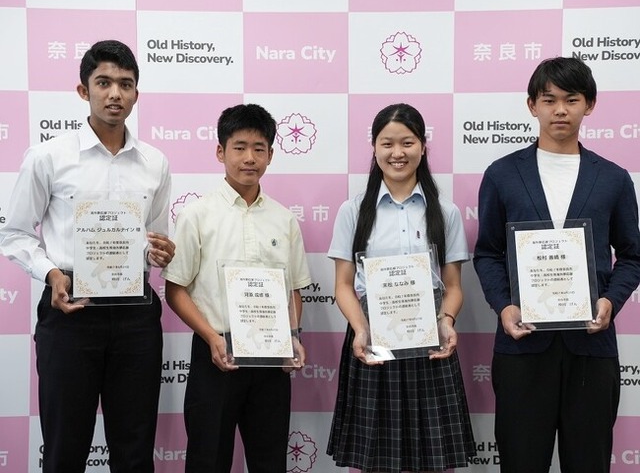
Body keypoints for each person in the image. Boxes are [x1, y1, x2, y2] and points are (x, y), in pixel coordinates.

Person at [0, 40, 175, 472]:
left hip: (136, 315)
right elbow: (15, 233)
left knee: (135, 450)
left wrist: (160, 252)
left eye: (125, 84)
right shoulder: (48, 157)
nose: (115, 93)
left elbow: (154, 240)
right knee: (65, 447)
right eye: (104, 82)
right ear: (84, 90)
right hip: (69, 308)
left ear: (136, 93)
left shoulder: (155, 162)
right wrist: (51, 274)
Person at [473, 57, 640, 473]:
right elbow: (488, 253)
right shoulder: (502, 174)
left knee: (589, 463)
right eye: (549, 100)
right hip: (522, 345)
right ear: (532, 105)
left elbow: (632, 256)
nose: (560, 110)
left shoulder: (614, 178)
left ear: (590, 105)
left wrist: (610, 301)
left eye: (571, 99)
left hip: (591, 347)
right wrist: (504, 306)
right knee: (521, 462)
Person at [326, 103, 476, 473]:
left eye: (407, 143)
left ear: (423, 147)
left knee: (433, 458)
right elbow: (343, 286)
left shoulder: (445, 212)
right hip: (373, 339)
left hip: (431, 340)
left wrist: (446, 321)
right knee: (377, 458)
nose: (397, 153)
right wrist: (361, 329)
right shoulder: (353, 211)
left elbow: (453, 286)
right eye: (387, 143)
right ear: (374, 148)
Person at [162, 103, 312, 473]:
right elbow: (176, 289)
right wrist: (212, 338)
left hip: (272, 358)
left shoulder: (284, 219)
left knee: (269, 461)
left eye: (259, 149)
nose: (249, 158)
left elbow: (294, 289)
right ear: (220, 151)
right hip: (217, 354)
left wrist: (292, 336)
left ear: (271, 155)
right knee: (208, 459)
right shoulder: (197, 215)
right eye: (239, 147)